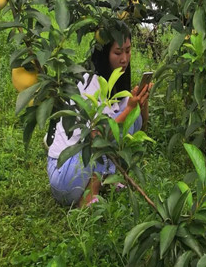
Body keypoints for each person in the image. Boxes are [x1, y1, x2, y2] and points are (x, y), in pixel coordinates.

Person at [47, 25, 151, 207]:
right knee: (100, 135)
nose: (124, 59)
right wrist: (128, 111)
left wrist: (141, 104)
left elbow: (141, 126)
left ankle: (108, 180)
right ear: (104, 53)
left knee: (129, 111)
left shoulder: (117, 85)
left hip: (78, 171)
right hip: (65, 175)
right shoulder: (89, 83)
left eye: (128, 51)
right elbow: (97, 138)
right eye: (118, 52)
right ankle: (88, 199)